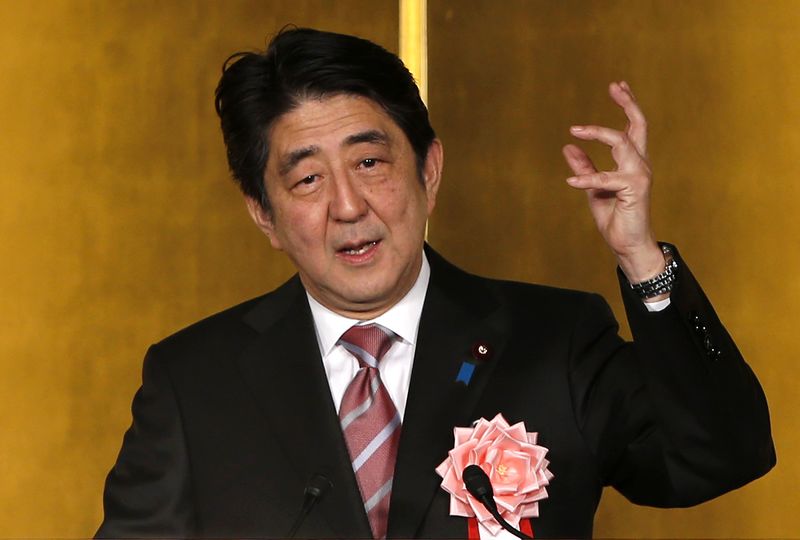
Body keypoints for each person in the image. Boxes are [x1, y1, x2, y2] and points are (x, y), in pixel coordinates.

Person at [96, 27, 774, 539]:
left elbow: (717, 460)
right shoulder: (194, 381)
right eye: (306, 179)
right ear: (264, 215)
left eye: (369, 161)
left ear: (430, 170)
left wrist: (643, 261)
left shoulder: (555, 342)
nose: (348, 205)